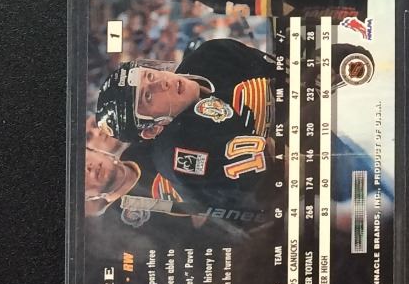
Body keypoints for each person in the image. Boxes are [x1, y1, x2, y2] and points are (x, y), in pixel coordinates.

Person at [93, 36, 279, 229]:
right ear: (152, 129)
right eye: (148, 96)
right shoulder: (179, 152)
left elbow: (285, 72)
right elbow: (278, 175)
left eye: (149, 76)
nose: (161, 83)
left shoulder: (211, 54)